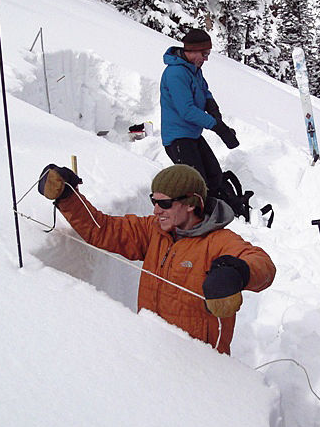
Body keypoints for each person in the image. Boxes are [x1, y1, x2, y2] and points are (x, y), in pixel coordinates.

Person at [37, 162, 274, 355]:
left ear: (191, 203)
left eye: (165, 204)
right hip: (150, 349)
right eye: (153, 201)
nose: (156, 210)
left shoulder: (218, 241)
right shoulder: (153, 230)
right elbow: (103, 230)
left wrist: (237, 271)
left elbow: (262, 264)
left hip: (200, 363)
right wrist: (67, 196)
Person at [159, 28, 238, 199]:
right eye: (204, 53)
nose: (206, 58)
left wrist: (213, 110)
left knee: (215, 176)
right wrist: (217, 127)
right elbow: (186, 110)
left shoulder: (193, 69)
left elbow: (205, 91)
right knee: (198, 186)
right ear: (192, 50)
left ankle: (230, 211)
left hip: (192, 135)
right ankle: (204, 220)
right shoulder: (175, 73)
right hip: (178, 139)